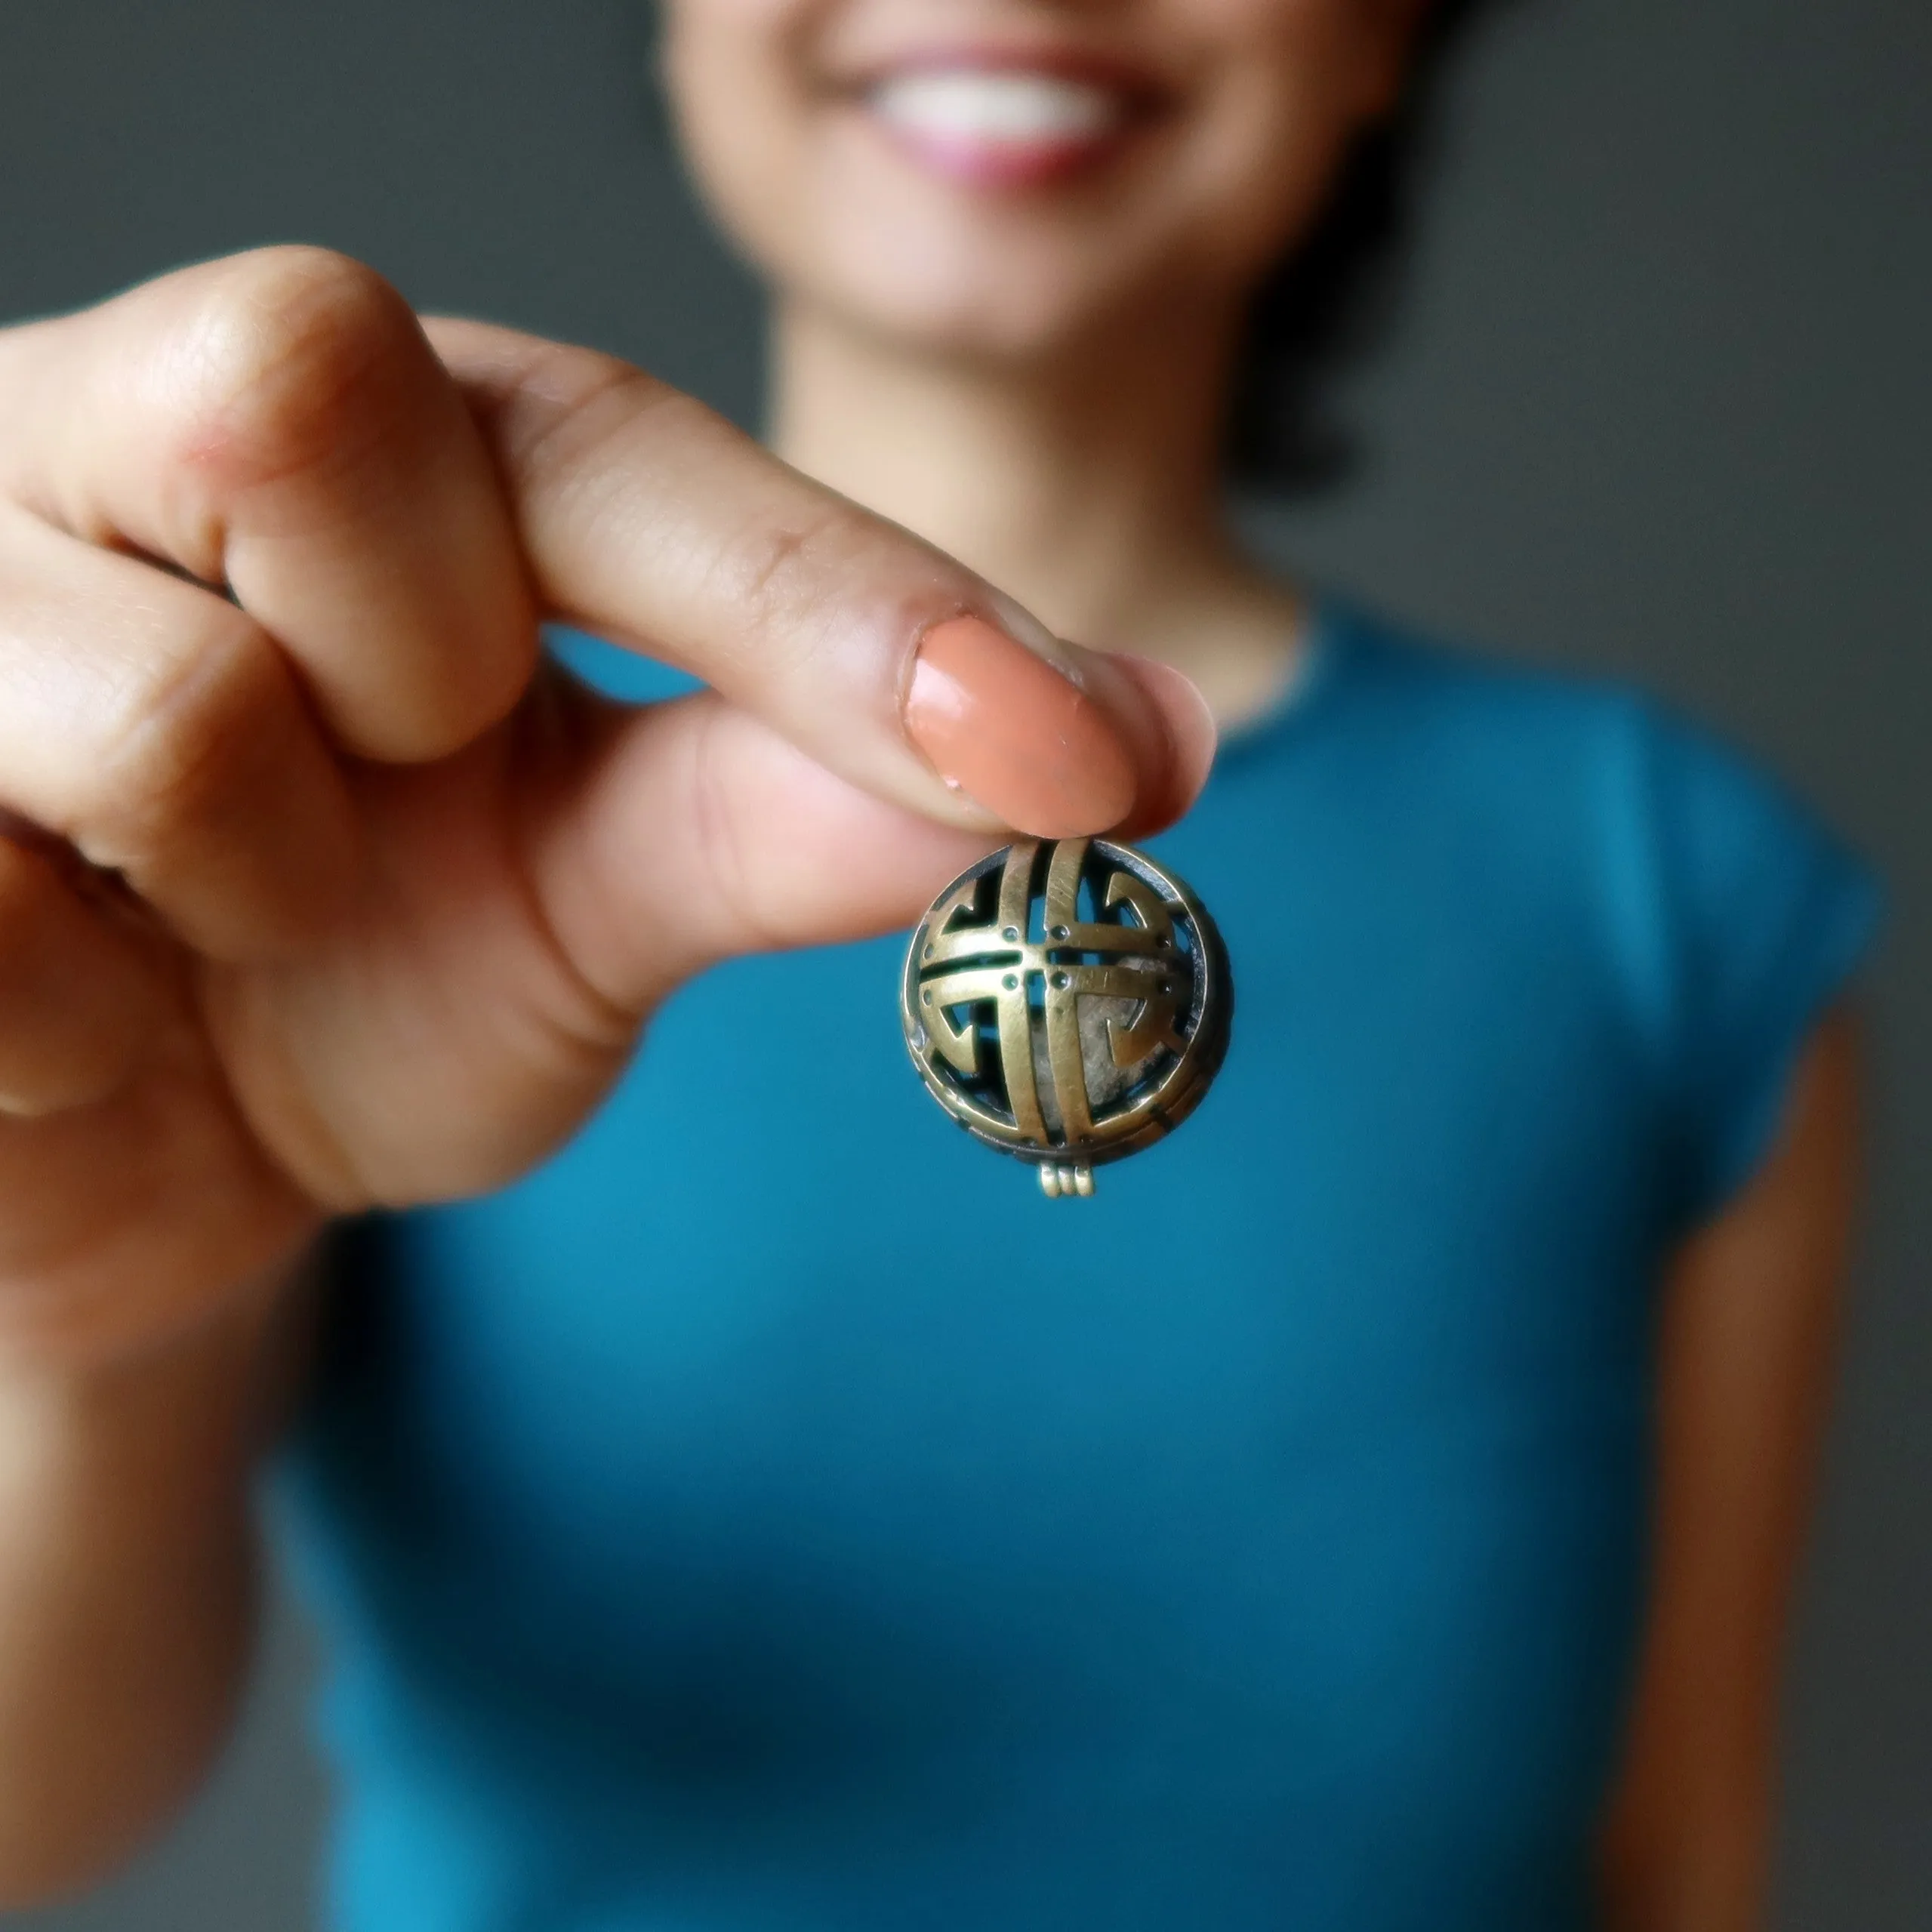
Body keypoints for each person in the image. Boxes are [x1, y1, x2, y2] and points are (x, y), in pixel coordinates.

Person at [0, 2, 1880, 1927]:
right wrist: (74, 1302)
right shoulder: (322, 814)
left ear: (1385, 34)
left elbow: (1679, 1856)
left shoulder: (1672, 893)